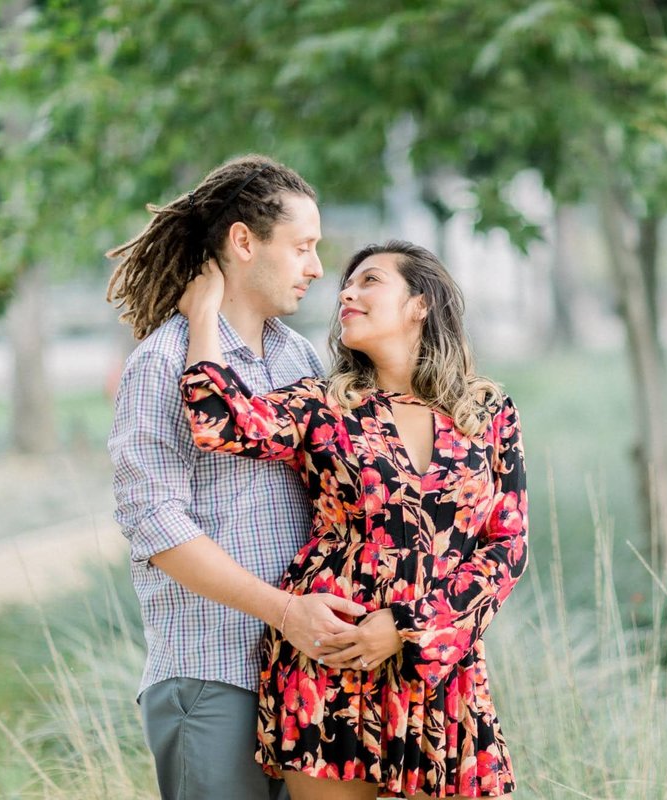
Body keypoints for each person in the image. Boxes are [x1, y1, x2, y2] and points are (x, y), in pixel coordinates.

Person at [177, 240, 528, 799]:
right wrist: (203, 312)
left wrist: (409, 626)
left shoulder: (487, 411)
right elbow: (221, 421)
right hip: (328, 658)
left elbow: (506, 547)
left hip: (439, 668)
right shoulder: (324, 405)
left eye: (370, 280)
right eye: (347, 282)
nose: (346, 291)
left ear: (421, 303)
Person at [107, 155, 370, 800]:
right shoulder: (162, 361)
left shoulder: (298, 356)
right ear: (244, 242)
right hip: (213, 676)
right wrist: (286, 612)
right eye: (303, 247)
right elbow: (155, 525)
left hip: (305, 678)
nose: (316, 268)